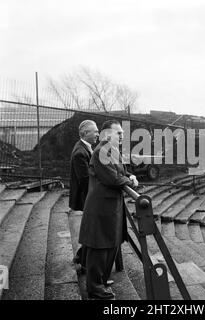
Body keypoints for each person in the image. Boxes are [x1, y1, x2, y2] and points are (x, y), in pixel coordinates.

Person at [79, 119, 138, 300]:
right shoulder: (102, 151)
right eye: (118, 133)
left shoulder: (112, 150)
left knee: (109, 245)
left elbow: (121, 172)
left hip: (110, 206)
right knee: (99, 247)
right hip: (101, 207)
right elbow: (112, 179)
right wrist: (130, 181)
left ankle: (102, 281)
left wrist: (130, 176)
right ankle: (95, 289)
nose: (122, 136)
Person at [69, 120, 99, 272]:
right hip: (87, 198)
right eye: (95, 131)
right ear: (85, 134)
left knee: (91, 230)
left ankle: (82, 258)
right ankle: (85, 263)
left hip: (88, 198)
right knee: (92, 231)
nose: (98, 134)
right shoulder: (80, 153)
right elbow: (86, 181)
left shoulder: (85, 148)